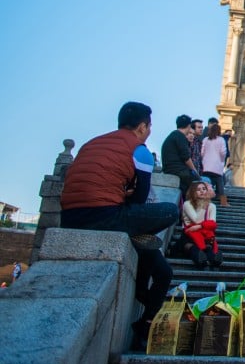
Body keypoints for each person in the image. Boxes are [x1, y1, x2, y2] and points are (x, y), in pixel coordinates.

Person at [60, 101, 177, 350]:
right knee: (170, 210)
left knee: (162, 269)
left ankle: (143, 323)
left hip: (69, 217)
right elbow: (140, 197)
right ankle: (146, 321)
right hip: (108, 217)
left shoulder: (91, 144)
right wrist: (128, 194)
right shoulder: (139, 150)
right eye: (149, 126)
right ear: (143, 126)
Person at [181, 180, 222, 269]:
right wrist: (203, 206)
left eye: (204, 189)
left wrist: (200, 226)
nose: (202, 191)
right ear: (193, 192)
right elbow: (196, 219)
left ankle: (215, 260)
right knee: (193, 248)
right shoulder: (187, 204)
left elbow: (213, 224)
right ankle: (202, 261)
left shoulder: (212, 206)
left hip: (205, 233)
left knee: (207, 247)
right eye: (198, 189)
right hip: (189, 234)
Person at [162, 114, 199, 198]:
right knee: (199, 184)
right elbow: (186, 158)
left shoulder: (173, 135)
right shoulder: (180, 137)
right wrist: (195, 172)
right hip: (177, 170)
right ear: (189, 126)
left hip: (170, 168)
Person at [200, 123, 229, 207]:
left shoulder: (205, 139)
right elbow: (223, 152)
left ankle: (205, 202)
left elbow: (202, 152)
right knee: (220, 186)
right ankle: (223, 202)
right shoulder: (221, 140)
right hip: (217, 167)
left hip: (206, 166)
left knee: (207, 185)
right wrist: (221, 160)